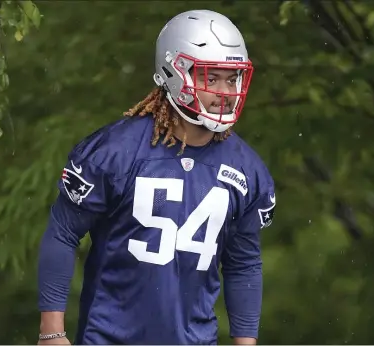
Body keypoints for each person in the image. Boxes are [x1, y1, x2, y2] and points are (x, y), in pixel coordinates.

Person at [37, 9, 276, 345]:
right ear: (175, 73)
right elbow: (62, 232)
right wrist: (51, 332)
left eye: (232, 78)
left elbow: (243, 264)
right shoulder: (117, 151)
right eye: (212, 78)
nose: (225, 91)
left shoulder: (246, 170)